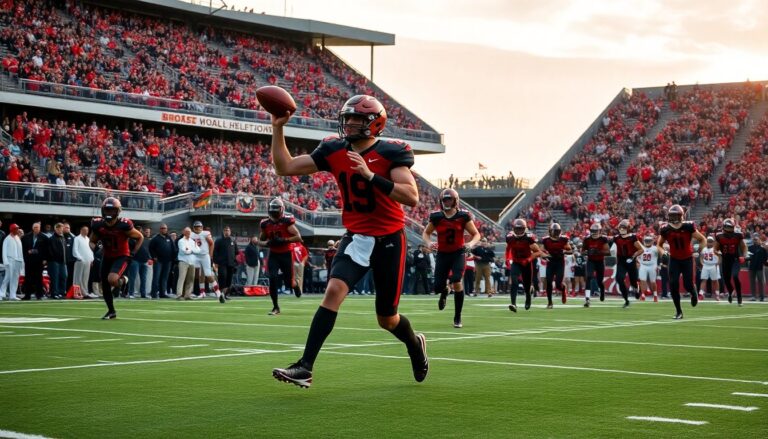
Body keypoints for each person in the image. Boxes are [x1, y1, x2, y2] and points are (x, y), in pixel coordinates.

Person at [270, 94, 427, 388]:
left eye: (358, 119)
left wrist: (370, 176)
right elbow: (285, 167)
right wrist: (277, 128)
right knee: (333, 291)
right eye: (349, 118)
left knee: (387, 319)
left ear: (375, 123)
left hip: (389, 239)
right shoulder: (334, 148)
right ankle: (305, 367)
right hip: (356, 236)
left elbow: (411, 197)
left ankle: (414, 343)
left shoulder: (392, 152)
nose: (351, 123)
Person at [422, 188, 481, 328]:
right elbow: (426, 233)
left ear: (455, 201)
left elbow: (476, 234)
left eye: (449, 199)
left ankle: (457, 317)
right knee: (437, 288)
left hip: (458, 253)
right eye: (445, 200)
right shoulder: (436, 217)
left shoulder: (463, 216)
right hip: (442, 254)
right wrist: (429, 243)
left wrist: (470, 244)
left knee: (456, 279)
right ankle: (445, 291)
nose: (447, 202)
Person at [90, 197, 144, 319]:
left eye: (112, 210)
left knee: (112, 279)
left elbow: (140, 237)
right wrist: (96, 249)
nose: (109, 213)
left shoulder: (124, 225)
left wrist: (133, 253)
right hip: (107, 256)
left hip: (121, 255)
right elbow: (92, 241)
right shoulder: (98, 224)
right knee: (105, 284)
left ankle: (124, 280)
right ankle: (111, 311)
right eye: (107, 210)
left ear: (118, 211)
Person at [657, 204, 707, 319]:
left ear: (681, 216)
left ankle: (693, 292)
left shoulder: (688, 227)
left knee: (687, 284)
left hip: (687, 259)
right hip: (674, 259)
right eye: (672, 216)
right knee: (673, 285)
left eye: (676, 216)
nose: (674, 219)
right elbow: (659, 245)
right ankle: (679, 311)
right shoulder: (665, 229)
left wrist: (699, 251)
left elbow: (702, 239)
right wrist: (663, 253)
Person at [258, 198, 303, 314]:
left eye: (275, 210)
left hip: (286, 253)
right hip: (273, 254)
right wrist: (267, 242)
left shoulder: (286, 222)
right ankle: (276, 307)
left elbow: (298, 237)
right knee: (272, 278)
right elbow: (261, 238)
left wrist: (284, 240)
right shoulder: (265, 224)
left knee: (289, 282)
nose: (273, 213)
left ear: (281, 210)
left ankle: (295, 285)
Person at [505, 218, 543, 312]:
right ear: (514, 228)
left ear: (524, 229)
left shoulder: (528, 238)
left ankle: (528, 298)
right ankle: (513, 304)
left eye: (520, 229)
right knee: (514, 281)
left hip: (526, 263)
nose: (518, 231)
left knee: (526, 285)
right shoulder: (510, 237)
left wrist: (528, 259)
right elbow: (508, 248)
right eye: (517, 229)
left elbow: (538, 252)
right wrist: (507, 258)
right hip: (516, 262)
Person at [190, 220, 225, 303]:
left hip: (204, 255)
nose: (198, 228)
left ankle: (218, 293)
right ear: (193, 228)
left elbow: (211, 243)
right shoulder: (191, 234)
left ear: (202, 227)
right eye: (196, 227)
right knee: (198, 275)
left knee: (208, 274)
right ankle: (202, 292)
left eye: (199, 227)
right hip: (196, 256)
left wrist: (210, 255)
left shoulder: (205, 233)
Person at [714, 218, 748, 305]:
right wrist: (718, 254)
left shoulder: (737, 235)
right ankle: (731, 291)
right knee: (726, 280)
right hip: (725, 260)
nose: (728, 230)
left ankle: (739, 298)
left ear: (733, 227)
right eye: (727, 227)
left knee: (735, 276)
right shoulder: (719, 236)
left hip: (735, 260)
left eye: (730, 227)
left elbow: (744, 247)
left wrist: (744, 255)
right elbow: (715, 249)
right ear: (724, 227)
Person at [612, 219, 643, 308]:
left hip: (631, 259)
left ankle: (637, 289)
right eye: (620, 227)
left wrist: (633, 257)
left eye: (624, 228)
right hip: (621, 260)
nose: (621, 229)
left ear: (628, 228)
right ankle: (626, 300)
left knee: (633, 282)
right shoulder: (616, 238)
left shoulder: (633, 237)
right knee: (619, 279)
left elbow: (641, 249)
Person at [540, 223, 572, 308]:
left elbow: (570, 250)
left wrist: (564, 251)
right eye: (555, 231)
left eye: (557, 231)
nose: (556, 233)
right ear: (550, 231)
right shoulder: (546, 240)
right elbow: (541, 251)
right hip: (550, 262)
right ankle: (550, 302)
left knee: (558, 284)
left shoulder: (563, 239)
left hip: (560, 263)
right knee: (549, 282)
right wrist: (545, 255)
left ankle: (563, 288)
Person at [582, 223, 610, 307]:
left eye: (595, 231)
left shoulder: (603, 239)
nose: (594, 232)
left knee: (599, 281)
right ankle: (587, 299)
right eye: (592, 231)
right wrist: (587, 252)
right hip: (591, 261)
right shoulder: (587, 239)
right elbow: (582, 252)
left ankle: (602, 290)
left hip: (600, 261)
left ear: (600, 231)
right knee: (588, 277)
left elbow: (608, 252)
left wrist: (598, 251)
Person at [149, 223, 175, 299]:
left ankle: (162, 293)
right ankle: (154, 293)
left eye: (165, 228)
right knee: (156, 277)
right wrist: (154, 257)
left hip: (168, 261)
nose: (164, 229)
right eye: (162, 228)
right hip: (159, 261)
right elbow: (151, 248)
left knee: (164, 278)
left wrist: (173, 258)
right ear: (160, 229)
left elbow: (173, 248)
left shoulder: (169, 238)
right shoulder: (155, 238)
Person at [213, 226, 238, 298]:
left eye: (228, 230)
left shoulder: (232, 240)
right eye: (225, 230)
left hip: (231, 263)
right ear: (223, 231)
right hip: (222, 263)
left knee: (229, 279)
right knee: (223, 277)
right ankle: (221, 293)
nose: (227, 232)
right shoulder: (219, 240)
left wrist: (235, 262)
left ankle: (225, 294)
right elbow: (215, 252)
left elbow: (236, 252)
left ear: (230, 232)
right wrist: (215, 262)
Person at [71, 225, 96, 298]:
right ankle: (76, 293)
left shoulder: (88, 239)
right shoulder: (77, 238)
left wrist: (92, 259)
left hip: (88, 261)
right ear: (81, 230)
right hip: (80, 261)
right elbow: (75, 250)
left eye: (87, 230)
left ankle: (84, 292)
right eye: (84, 230)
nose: (86, 232)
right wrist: (80, 258)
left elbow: (90, 250)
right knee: (78, 278)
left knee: (85, 278)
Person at [0, 224, 23, 300]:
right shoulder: (7, 239)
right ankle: (1, 294)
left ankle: (12, 295)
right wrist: (6, 261)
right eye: (16, 229)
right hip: (10, 261)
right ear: (12, 230)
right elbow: (4, 251)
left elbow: (20, 250)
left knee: (15, 278)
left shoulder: (17, 238)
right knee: (7, 277)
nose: (17, 230)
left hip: (18, 261)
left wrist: (21, 261)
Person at [176, 227, 200, 300]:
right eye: (187, 232)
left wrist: (190, 250)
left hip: (192, 262)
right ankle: (179, 295)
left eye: (189, 232)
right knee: (181, 278)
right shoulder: (181, 241)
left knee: (190, 279)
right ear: (183, 232)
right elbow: (184, 251)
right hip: (183, 261)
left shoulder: (192, 241)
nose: (188, 233)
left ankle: (187, 295)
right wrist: (192, 250)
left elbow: (198, 250)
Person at [48, 223, 68, 300]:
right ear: (56, 229)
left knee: (63, 276)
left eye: (62, 228)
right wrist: (57, 258)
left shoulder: (63, 238)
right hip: (54, 261)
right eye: (59, 229)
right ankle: (54, 293)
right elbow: (52, 251)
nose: (61, 230)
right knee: (55, 278)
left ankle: (61, 292)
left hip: (63, 261)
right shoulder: (52, 239)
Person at [637, 235, 660, 302]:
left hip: (652, 265)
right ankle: (643, 294)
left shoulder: (655, 248)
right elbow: (637, 257)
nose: (647, 242)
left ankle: (655, 295)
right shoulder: (641, 248)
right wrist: (638, 263)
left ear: (652, 241)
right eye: (646, 241)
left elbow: (661, 255)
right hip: (643, 265)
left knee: (653, 281)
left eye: (649, 241)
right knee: (642, 280)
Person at [699, 236, 721, 301]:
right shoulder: (704, 249)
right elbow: (701, 256)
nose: (710, 243)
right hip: (706, 265)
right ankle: (701, 294)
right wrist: (702, 263)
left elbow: (720, 256)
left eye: (711, 242)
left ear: (713, 242)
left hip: (713, 265)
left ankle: (717, 294)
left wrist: (718, 263)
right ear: (706, 242)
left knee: (715, 280)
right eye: (708, 242)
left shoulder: (715, 249)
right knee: (704, 279)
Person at [747, 233, 767, 301]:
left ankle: (762, 296)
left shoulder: (763, 248)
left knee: (760, 282)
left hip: (760, 267)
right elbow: (747, 257)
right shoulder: (750, 248)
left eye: (756, 239)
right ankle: (753, 296)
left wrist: (763, 263)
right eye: (754, 239)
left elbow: (765, 257)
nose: (755, 241)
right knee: (752, 282)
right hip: (752, 267)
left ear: (759, 240)